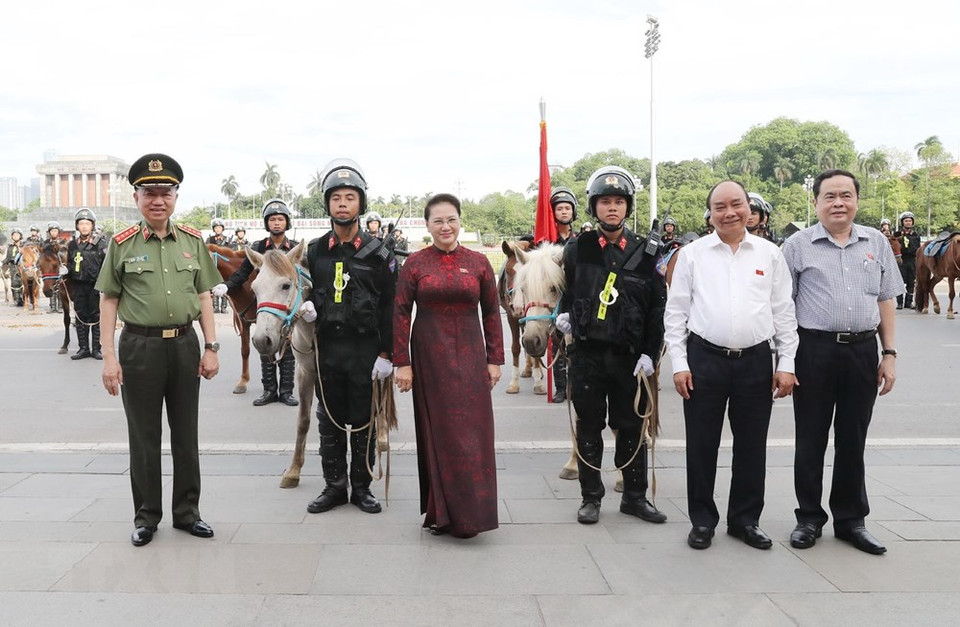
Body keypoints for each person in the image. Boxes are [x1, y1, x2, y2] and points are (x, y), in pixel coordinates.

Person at [664, 180, 799, 551]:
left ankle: (745, 520)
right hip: (704, 359)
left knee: (752, 446)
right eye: (720, 206)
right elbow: (675, 313)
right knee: (702, 445)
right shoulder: (692, 255)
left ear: (749, 208)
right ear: (710, 213)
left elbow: (784, 312)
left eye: (736, 204)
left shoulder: (770, 254)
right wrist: (679, 363)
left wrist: (786, 362)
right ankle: (703, 521)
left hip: (755, 360)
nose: (729, 212)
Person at [95, 153, 221, 547]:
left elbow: (203, 295)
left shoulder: (193, 241)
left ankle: (187, 513)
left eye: (165, 192)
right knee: (144, 436)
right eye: (149, 192)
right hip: (139, 347)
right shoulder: (122, 245)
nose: (157, 200)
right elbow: (109, 301)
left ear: (175, 197)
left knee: (186, 434)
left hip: (185, 345)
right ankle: (147, 516)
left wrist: (211, 347)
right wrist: (109, 357)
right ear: (137, 197)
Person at [782, 169, 903, 555]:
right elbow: (782, 307)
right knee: (811, 438)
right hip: (813, 351)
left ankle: (851, 521)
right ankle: (809, 518)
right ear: (816, 202)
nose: (838, 203)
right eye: (829, 196)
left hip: (861, 352)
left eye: (845, 195)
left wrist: (889, 354)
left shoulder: (877, 242)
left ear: (856, 200)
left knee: (853, 439)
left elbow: (886, 299)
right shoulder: (798, 246)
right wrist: (783, 359)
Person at [555, 165, 667, 526]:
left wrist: (651, 353)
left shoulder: (646, 252)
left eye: (619, 201)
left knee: (632, 426)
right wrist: (565, 317)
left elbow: (656, 309)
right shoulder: (577, 249)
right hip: (588, 355)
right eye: (605, 202)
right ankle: (591, 497)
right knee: (589, 425)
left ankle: (634, 497)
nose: (612, 208)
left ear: (628, 207)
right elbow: (569, 294)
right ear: (594, 207)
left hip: (630, 358)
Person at [394, 193, 504, 538]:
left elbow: (491, 312)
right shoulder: (414, 264)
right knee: (437, 432)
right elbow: (399, 314)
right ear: (427, 225)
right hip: (429, 357)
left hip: (471, 357)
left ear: (460, 221)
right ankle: (441, 513)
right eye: (438, 220)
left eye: (451, 219)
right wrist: (403, 363)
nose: (446, 226)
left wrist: (495, 358)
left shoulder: (479, 262)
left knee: (475, 433)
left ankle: (474, 514)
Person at [302, 158, 397, 516]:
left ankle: (361, 487)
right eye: (336, 197)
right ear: (327, 203)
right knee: (329, 419)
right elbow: (304, 290)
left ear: (361, 203)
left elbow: (391, 305)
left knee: (363, 420)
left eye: (350, 197)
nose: (343, 203)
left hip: (365, 349)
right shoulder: (315, 251)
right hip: (328, 347)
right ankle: (333, 486)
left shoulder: (380, 252)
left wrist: (387, 353)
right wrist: (308, 305)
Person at [213, 199, 299, 406]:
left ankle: (286, 391)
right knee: (264, 341)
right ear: (266, 223)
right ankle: (269, 390)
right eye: (272, 219)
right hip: (266, 305)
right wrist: (227, 285)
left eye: (280, 219)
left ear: (287, 223)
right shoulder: (259, 247)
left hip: (285, 305)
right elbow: (242, 273)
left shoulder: (294, 249)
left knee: (287, 345)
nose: (276, 223)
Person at [67, 208, 108, 360]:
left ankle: (96, 348)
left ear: (92, 226)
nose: (84, 226)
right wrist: (66, 270)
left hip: (95, 286)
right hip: (78, 286)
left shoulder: (100, 244)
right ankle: (83, 348)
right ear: (77, 226)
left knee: (96, 317)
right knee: (80, 316)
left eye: (87, 223)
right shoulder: (72, 245)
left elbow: (106, 265)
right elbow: (70, 264)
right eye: (81, 223)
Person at [894, 211, 920, 309]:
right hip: (901, 260)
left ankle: (908, 302)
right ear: (902, 222)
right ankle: (899, 302)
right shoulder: (897, 234)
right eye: (906, 221)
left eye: (910, 221)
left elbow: (917, 248)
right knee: (900, 281)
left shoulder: (916, 235)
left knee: (911, 282)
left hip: (912, 260)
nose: (908, 222)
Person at [206, 218, 230, 313]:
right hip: (213, 266)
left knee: (224, 284)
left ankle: (224, 307)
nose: (218, 229)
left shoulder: (227, 240)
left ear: (222, 228)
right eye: (216, 227)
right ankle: (215, 306)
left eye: (219, 227)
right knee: (214, 285)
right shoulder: (209, 240)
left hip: (224, 266)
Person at [42, 221, 65, 313]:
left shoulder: (63, 241)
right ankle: (52, 306)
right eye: (52, 231)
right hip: (49, 268)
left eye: (55, 231)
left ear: (58, 232)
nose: (53, 233)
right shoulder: (46, 242)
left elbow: (64, 252)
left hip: (59, 266)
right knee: (50, 286)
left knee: (59, 286)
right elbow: (43, 252)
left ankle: (60, 306)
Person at [3, 228, 24, 305]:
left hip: (22, 266)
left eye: (17, 235)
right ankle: (17, 300)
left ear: (20, 236)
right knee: (15, 283)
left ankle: (24, 298)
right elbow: (8, 258)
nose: (15, 236)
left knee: (23, 282)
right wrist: (2, 263)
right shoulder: (10, 247)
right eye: (14, 235)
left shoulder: (24, 245)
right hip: (13, 267)